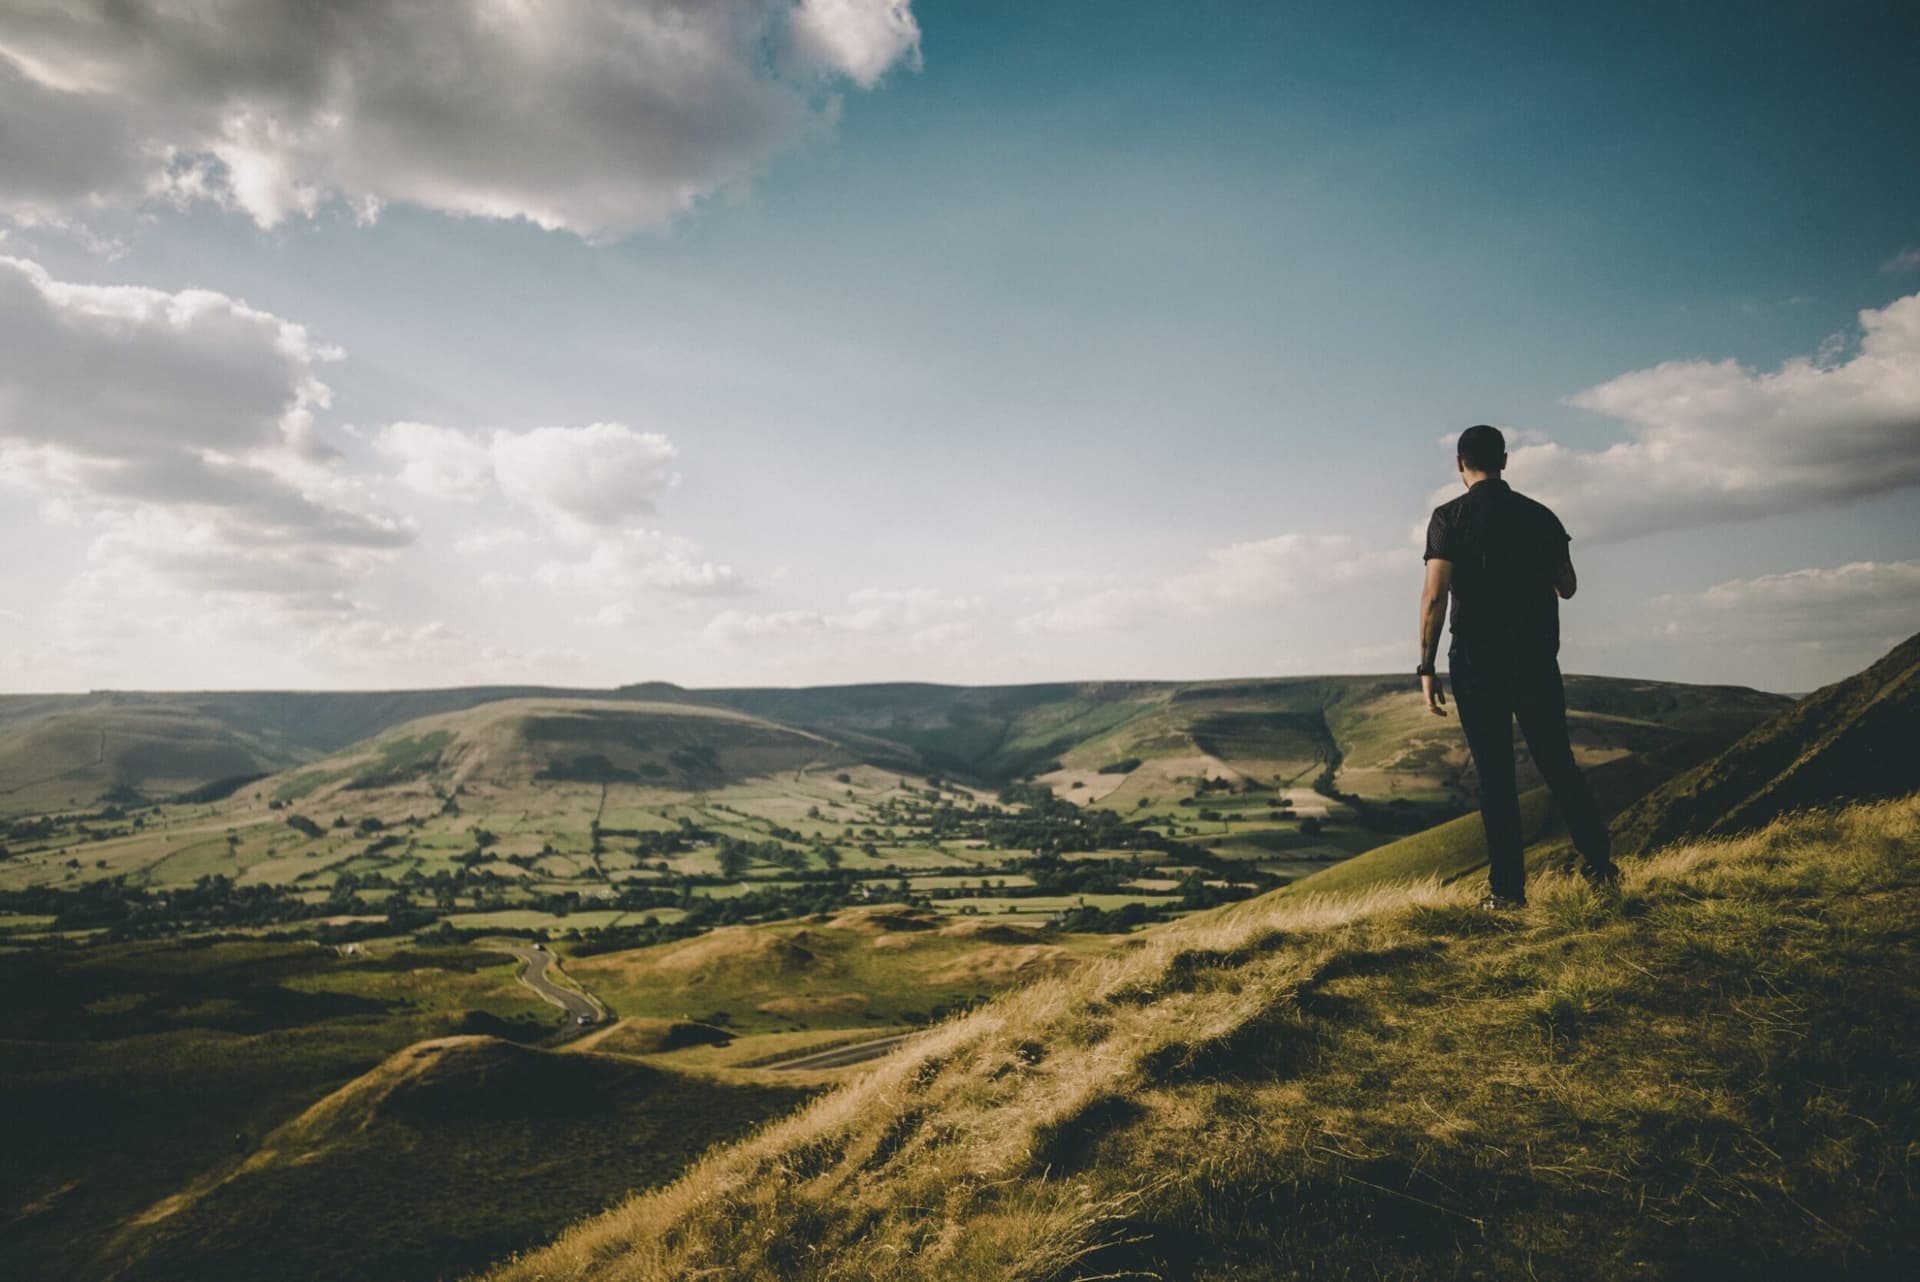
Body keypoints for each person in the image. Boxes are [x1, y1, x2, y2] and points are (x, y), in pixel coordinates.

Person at [1417, 424, 1620, 909]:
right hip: (1534, 659)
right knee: (1559, 765)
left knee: (1495, 775)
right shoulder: (1540, 516)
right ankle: (1602, 871)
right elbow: (1567, 586)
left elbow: (1433, 596)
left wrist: (1425, 666)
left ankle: (1507, 892)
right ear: (1505, 461)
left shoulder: (1449, 518)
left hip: (1476, 662)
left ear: (1460, 464)